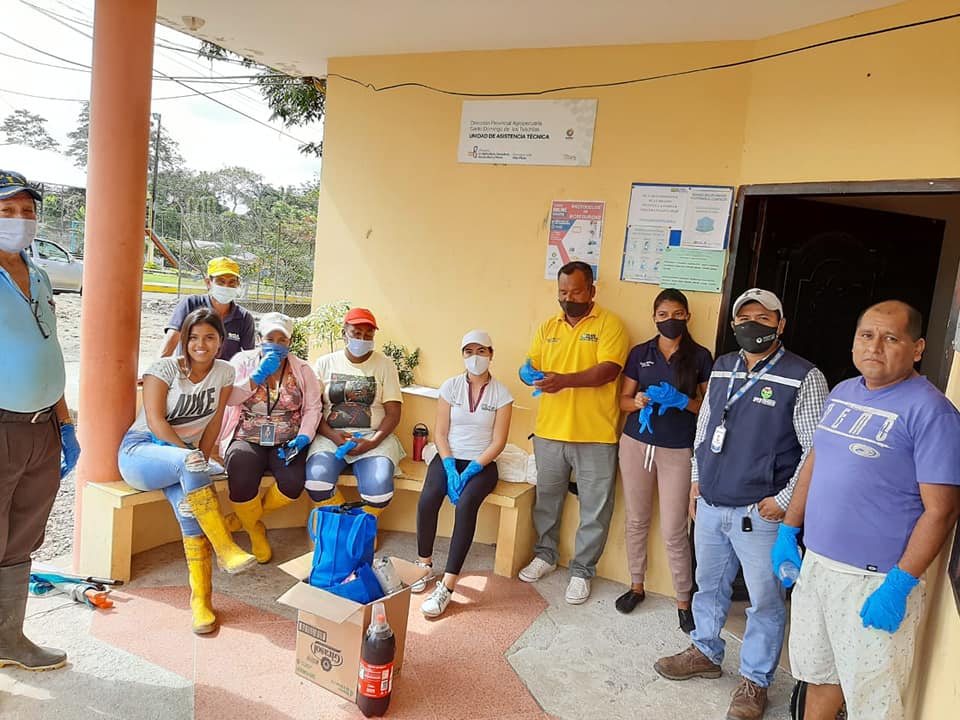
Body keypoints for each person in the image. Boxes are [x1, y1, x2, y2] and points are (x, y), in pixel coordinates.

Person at [772, 301, 960, 720]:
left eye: (891, 338)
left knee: (873, 701)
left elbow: (942, 511)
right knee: (819, 677)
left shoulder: (933, 412)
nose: (875, 347)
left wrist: (899, 584)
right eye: (866, 335)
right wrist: (788, 531)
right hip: (817, 566)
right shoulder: (843, 392)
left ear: (917, 348)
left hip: (874, 581)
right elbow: (815, 462)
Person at [654, 288, 828, 720]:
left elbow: (817, 450)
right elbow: (705, 427)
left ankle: (755, 680)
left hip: (760, 512)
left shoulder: (803, 376)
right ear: (733, 325)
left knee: (765, 600)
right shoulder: (723, 366)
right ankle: (705, 650)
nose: (754, 325)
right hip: (713, 502)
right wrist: (696, 480)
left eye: (764, 319)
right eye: (745, 319)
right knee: (708, 585)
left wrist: (784, 501)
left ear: (781, 325)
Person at [118, 307, 256, 635]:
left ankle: (202, 602)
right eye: (193, 337)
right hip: (141, 453)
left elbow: (214, 424)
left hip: (184, 460)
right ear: (184, 340)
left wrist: (200, 461)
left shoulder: (224, 373)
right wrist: (192, 458)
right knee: (191, 463)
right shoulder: (163, 369)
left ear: (221, 342)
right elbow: (156, 422)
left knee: (189, 509)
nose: (200, 344)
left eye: (209, 337)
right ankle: (225, 547)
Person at [0, 170, 80, 672]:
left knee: (23, 536)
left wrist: (65, 424)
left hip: (43, 427)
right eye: (6, 211)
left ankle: (9, 640)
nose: (19, 220)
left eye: (27, 211)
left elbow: (48, 351)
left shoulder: (42, 274)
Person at [517, 261, 629, 605]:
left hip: (596, 434)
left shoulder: (610, 324)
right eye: (563, 292)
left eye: (576, 292)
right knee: (547, 500)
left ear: (592, 291)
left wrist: (563, 381)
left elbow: (608, 371)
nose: (568, 298)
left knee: (595, 509)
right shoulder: (548, 326)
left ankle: (582, 571)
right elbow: (532, 364)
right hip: (549, 431)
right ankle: (545, 555)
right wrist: (526, 373)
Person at [616, 289, 712, 633]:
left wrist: (682, 401)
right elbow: (623, 400)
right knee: (636, 519)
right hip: (636, 444)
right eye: (662, 314)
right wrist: (639, 401)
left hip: (677, 450)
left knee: (674, 529)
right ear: (654, 318)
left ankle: (684, 600)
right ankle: (636, 585)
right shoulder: (640, 353)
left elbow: (709, 408)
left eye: (677, 314)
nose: (670, 320)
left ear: (687, 316)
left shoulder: (700, 356)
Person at [412, 330, 513, 618]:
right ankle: (423, 564)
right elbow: (441, 433)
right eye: (469, 351)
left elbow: (499, 441)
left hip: (483, 462)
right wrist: (448, 464)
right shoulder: (451, 387)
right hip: (448, 456)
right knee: (429, 497)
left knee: (467, 505)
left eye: (481, 351)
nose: (475, 357)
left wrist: (473, 468)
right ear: (462, 355)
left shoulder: (502, 394)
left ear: (491, 354)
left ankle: (447, 585)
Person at [218, 312, 323, 564]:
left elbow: (313, 408)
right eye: (270, 338)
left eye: (282, 339)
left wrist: (304, 437)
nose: (276, 344)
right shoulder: (242, 361)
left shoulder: (303, 369)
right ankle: (255, 530)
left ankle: (245, 518)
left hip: (287, 440)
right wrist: (256, 377)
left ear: (290, 342)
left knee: (293, 483)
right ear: (259, 338)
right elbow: (229, 399)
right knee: (240, 470)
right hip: (247, 436)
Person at [305, 308, 403, 529]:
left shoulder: (385, 365)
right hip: (330, 436)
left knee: (379, 493)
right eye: (356, 333)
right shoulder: (324, 363)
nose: (362, 339)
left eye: (368, 335)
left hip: (374, 437)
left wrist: (372, 442)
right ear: (344, 333)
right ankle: (347, 530)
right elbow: (313, 409)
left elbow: (394, 413)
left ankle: (355, 530)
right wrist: (334, 436)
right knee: (317, 482)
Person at [160, 256, 255, 361]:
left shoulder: (244, 318)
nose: (226, 286)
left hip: (225, 371)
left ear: (238, 284)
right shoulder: (191, 304)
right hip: (187, 370)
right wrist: (158, 367)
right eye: (221, 281)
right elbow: (171, 340)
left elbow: (249, 357)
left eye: (232, 282)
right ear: (208, 282)